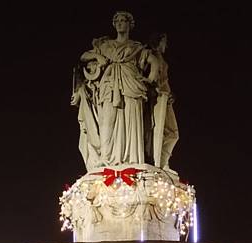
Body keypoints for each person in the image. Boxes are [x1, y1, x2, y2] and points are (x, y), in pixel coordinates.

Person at [75, 11, 151, 169]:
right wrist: (99, 58)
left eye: (124, 21)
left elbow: (154, 61)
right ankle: (107, 158)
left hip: (131, 85)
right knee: (107, 123)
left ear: (130, 24)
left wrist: (150, 79)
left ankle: (132, 159)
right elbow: (84, 56)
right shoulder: (106, 46)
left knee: (131, 121)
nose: (120, 24)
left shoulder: (135, 47)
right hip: (109, 86)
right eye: (118, 21)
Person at [146, 32, 178, 169]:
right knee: (162, 131)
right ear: (159, 41)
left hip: (166, 97)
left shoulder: (161, 59)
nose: (166, 45)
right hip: (158, 98)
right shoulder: (150, 55)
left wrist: (171, 95)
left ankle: (163, 161)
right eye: (164, 41)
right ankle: (160, 162)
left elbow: (165, 81)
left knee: (172, 133)